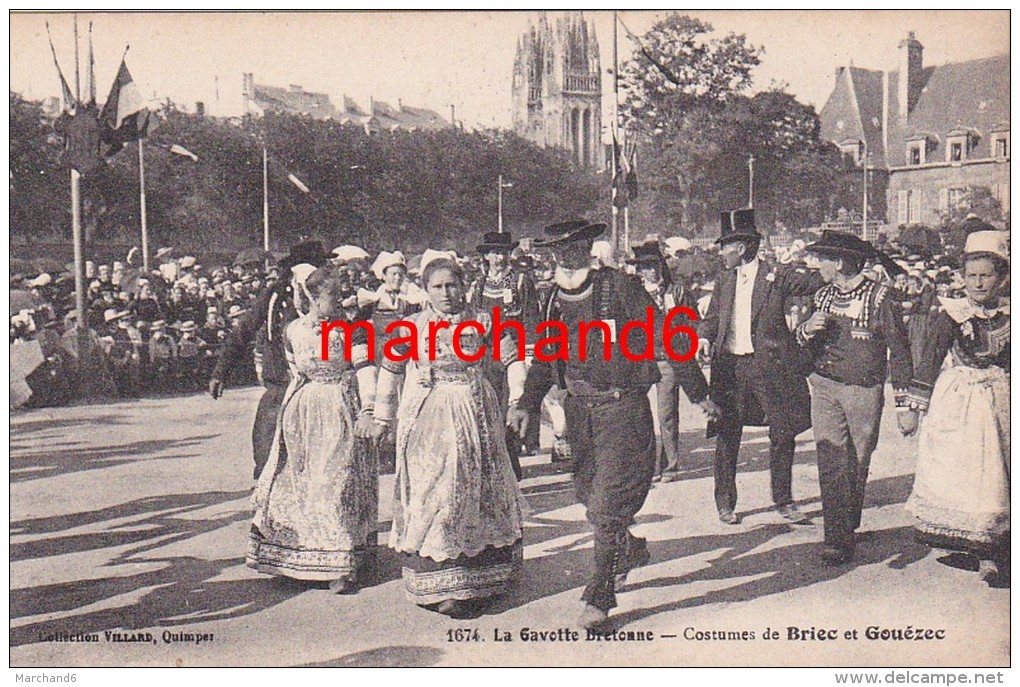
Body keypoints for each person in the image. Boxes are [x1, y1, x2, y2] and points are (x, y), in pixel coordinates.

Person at [508, 219, 716, 631]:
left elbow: (668, 336)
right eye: (559, 250)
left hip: (623, 409)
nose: (567, 256)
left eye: (575, 247)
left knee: (605, 508)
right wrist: (527, 403)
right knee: (589, 497)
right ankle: (629, 547)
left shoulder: (621, 287)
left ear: (588, 247)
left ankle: (600, 597)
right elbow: (546, 358)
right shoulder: (550, 299)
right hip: (580, 414)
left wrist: (697, 390)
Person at [371, 257, 524, 618]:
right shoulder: (409, 327)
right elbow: (390, 374)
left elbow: (514, 360)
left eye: (452, 285)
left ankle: (480, 580)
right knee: (432, 490)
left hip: (475, 415)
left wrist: (518, 399)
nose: (446, 293)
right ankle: (440, 583)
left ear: (463, 286)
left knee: (474, 490)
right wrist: (381, 417)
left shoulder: (484, 320)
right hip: (427, 417)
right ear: (425, 290)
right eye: (437, 286)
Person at [248, 266, 379, 592]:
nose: (339, 300)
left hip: (339, 406)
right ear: (312, 298)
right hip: (303, 412)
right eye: (332, 295)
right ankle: (294, 556)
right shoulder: (292, 330)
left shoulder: (352, 329)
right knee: (299, 482)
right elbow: (294, 371)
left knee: (335, 481)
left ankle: (339, 564)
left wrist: (368, 409)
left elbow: (365, 370)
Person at [795, 231, 914, 565]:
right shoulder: (822, 296)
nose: (817, 265)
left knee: (857, 462)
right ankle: (837, 537)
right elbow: (802, 341)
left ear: (842, 262)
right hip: (824, 386)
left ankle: (846, 526)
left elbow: (900, 351)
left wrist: (905, 405)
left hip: (864, 391)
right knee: (830, 459)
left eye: (824, 259)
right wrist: (807, 328)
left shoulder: (881, 297)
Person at [699, 209, 822, 526]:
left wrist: (826, 262)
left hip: (769, 367)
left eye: (724, 246)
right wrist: (703, 336)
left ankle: (784, 500)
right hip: (729, 368)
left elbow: (811, 283)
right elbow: (713, 317)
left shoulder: (775, 275)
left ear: (740, 248)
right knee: (728, 434)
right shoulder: (724, 278)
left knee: (783, 432)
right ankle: (725, 502)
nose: (720, 252)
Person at [904, 231, 1010, 585]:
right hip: (962, 402)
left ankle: (1000, 545)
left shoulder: (1012, 313)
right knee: (971, 475)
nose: (978, 283)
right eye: (972, 276)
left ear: (1001, 278)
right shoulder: (952, 313)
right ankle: (983, 553)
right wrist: (912, 408)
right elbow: (929, 361)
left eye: (986, 275)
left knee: (1004, 475)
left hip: (1004, 398)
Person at [209, 240, 330, 479]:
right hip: (280, 385)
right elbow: (243, 331)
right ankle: (266, 501)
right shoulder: (276, 294)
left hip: (317, 390)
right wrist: (220, 372)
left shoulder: (328, 297)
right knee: (267, 451)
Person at [626, 240, 710, 483]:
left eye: (655, 265)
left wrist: (694, 342)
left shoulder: (676, 291)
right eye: (646, 267)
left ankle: (670, 464)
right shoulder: (633, 293)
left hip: (668, 359)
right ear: (639, 271)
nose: (653, 271)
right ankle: (646, 466)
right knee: (638, 414)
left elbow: (691, 319)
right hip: (640, 360)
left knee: (667, 413)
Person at [467, 231, 541, 479]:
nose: (498, 258)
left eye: (502, 253)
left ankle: (510, 470)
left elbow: (531, 319)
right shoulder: (478, 285)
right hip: (486, 357)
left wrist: (529, 356)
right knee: (486, 412)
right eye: (494, 253)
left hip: (513, 356)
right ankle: (492, 470)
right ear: (486, 256)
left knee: (510, 410)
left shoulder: (521, 281)